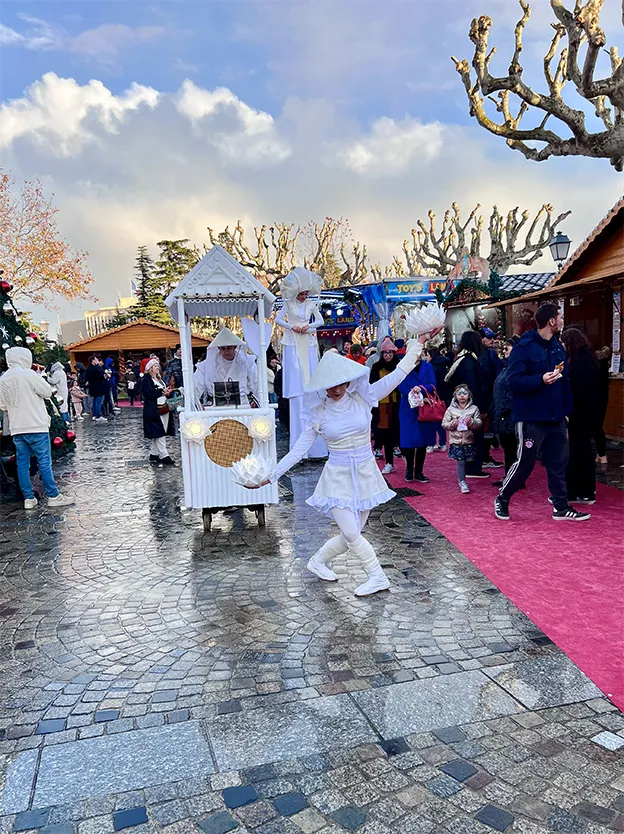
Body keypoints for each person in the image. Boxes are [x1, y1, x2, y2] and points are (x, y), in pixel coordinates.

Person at [250, 327, 441, 597]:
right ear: (323, 386)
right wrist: (270, 476)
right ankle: (378, 576)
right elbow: (297, 451)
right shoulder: (317, 414)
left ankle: (317, 561)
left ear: (348, 380)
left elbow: (399, 375)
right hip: (337, 477)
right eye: (330, 384)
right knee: (352, 534)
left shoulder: (364, 398)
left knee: (352, 534)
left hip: (365, 472)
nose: (336, 388)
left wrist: (416, 345)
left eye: (340, 382)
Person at [495, 303, 590, 522]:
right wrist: (540, 380)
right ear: (551, 321)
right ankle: (503, 498)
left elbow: (565, 382)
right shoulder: (524, 347)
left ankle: (561, 507)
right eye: (560, 316)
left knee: (559, 461)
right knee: (525, 462)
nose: (562, 320)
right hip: (530, 417)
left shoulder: (557, 346)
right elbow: (513, 381)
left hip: (556, 416)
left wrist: (566, 413)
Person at [0, 347, 74, 510]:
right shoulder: (29, 375)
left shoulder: (3, 379)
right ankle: (53, 495)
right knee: (44, 462)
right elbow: (47, 391)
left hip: (17, 428)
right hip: (36, 425)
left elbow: (3, 406)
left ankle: (28, 499)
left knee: (22, 464)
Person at [275, 268, 326, 456]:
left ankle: (317, 449)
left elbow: (320, 321)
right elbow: (278, 320)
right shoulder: (288, 304)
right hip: (292, 341)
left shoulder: (312, 305)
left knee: (310, 388)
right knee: (297, 388)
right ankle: (299, 451)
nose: (305, 296)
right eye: (302, 293)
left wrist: (308, 326)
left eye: (306, 293)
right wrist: (292, 327)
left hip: (308, 340)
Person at [561, 327, 601, 504]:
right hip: (588, 412)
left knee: (575, 452)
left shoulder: (577, 361)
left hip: (578, 413)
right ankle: (586, 490)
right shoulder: (588, 358)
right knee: (584, 451)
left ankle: (574, 491)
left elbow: (574, 389)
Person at [444, 331, 489, 478]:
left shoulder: (461, 359)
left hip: (462, 405)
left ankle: (470, 467)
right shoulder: (469, 361)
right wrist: (481, 407)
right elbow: (474, 386)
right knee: (474, 437)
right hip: (471, 406)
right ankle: (473, 468)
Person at [398, 345, 437, 482]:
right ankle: (409, 469)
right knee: (409, 440)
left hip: (424, 406)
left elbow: (433, 384)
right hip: (408, 407)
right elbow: (400, 384)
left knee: (423, 440)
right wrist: (412, 394)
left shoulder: (428, 366)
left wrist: (421, 389)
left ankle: (419, 471)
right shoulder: (403, 366)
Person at [194, 327, 259, 406]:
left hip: (242, 407)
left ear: (235, 347)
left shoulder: (247, 362)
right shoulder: (207, 365)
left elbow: (257, 384)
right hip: (217, 408)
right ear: (219, 348)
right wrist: (197, 403)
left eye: (229, 348)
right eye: (223, 348)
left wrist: (257, 401)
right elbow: (196, 387)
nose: (226, 351)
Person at [442, 385, 483, 493]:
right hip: (456, 440)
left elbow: (479, 423)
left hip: (469, 439)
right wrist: (452, 423)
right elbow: (444, 424)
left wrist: (471, 422)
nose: (462, 396)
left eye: (464, 393)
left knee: (467, 461)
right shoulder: (450, 409)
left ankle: (464, 477)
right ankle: (462, 481)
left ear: (469, 395)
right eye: (459, 394)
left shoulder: (474, 409)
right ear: (455, 396)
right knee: (460, 462)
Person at [370, 338, 401, 473]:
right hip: (382, 406)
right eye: (385, 353)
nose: (388, 355)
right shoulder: (376, 367)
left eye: (390, 353)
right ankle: (389, 462)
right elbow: (372, 385)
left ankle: (408, 460)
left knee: (400, 433)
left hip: (397, 404)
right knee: (386, 434)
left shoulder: (398, 366)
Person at [490, 338, 518, 483]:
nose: (504, 351)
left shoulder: (515, 368)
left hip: (508, 414)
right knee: (508, 447)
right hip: (502, 413)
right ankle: (509, 476)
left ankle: (512, 478)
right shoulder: (506, 367)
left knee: (511, 448)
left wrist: (505, 409)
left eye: (508, 349)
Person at [141, 358, 175, 464]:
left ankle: (154, 454)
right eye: (155, 366)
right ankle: (164, 455)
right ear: (150, 368)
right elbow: (148, 394)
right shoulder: (146, 380)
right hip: (153, 409)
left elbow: (161, 392)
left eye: (158, 366)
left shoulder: (160, 379)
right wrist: (161, 392)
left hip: (163, 407)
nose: (158, 367)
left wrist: (166, 392)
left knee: (160, 431)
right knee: (159, 432)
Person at [424, 347, 448, 452]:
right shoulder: (444, 366)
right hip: (443, 396)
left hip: (432, 396)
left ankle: (430, 443)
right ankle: (442, 443)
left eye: (427, 355)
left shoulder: (430, 368)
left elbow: (430, 383)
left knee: (431, 421)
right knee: (440, 420)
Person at [594, 345, 611, 465]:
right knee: (598, 427)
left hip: (592, 400)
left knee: (595, 428)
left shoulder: (593, 368)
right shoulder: (604, 371)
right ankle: (602, 454)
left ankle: (601, 454)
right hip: (602, 400)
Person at [85, 355, 108, 422]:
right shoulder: (96, 368)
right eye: (96, 359)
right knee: (98, 402)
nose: (97, 360)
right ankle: (98, 415)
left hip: (92, 387)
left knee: (94, 401)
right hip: (99, 387)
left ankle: (95, 415)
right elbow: (101, 377)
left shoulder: (88, 369)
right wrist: (105, 376)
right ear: (93, 361)